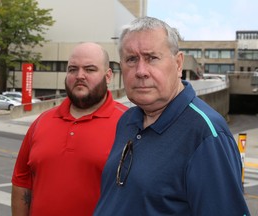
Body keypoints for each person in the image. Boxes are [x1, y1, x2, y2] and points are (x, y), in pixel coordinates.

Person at [94, 17, 250, 215]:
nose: (141, 71)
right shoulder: (127, 120)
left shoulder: (206, 134)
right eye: (131, 59)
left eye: (152, 58)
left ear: (178, 64)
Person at [11, 42, 128, 216]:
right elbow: (22, 182)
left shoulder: (129, 123)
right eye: (73, 69)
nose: (80, 75)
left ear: (108, 75)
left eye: (89, 69)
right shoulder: (41, 122)